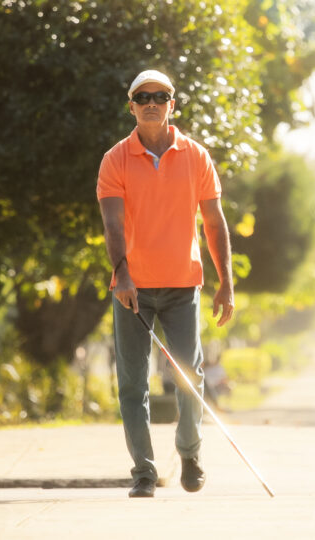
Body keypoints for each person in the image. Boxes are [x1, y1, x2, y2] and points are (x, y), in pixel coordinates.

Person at [97, 69, 235, 498]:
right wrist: (122, 273)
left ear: (172, 104)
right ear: (132, 106)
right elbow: (112, 223)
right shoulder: (115, 159)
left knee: (188, 375)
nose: (151, 103)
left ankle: (190, 453)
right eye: (143, 97)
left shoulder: (196, 157)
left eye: (160, 96)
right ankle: (143, 472)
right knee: (133, 383)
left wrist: (226, 282)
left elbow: (214, 222)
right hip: (132, 289)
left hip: (182, 284)